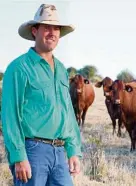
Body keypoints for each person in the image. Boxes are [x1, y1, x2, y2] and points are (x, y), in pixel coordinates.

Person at [1, 4, 82, 186]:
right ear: (35, 30)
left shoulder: (61, 70)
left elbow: (67, 112)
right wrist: (18, 156)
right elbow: (10, 115)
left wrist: (73, 150)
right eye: (46, 27)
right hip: (32, 151)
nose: (52, 32)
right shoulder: (19, 68)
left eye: (56, 28)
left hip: (59, 152)